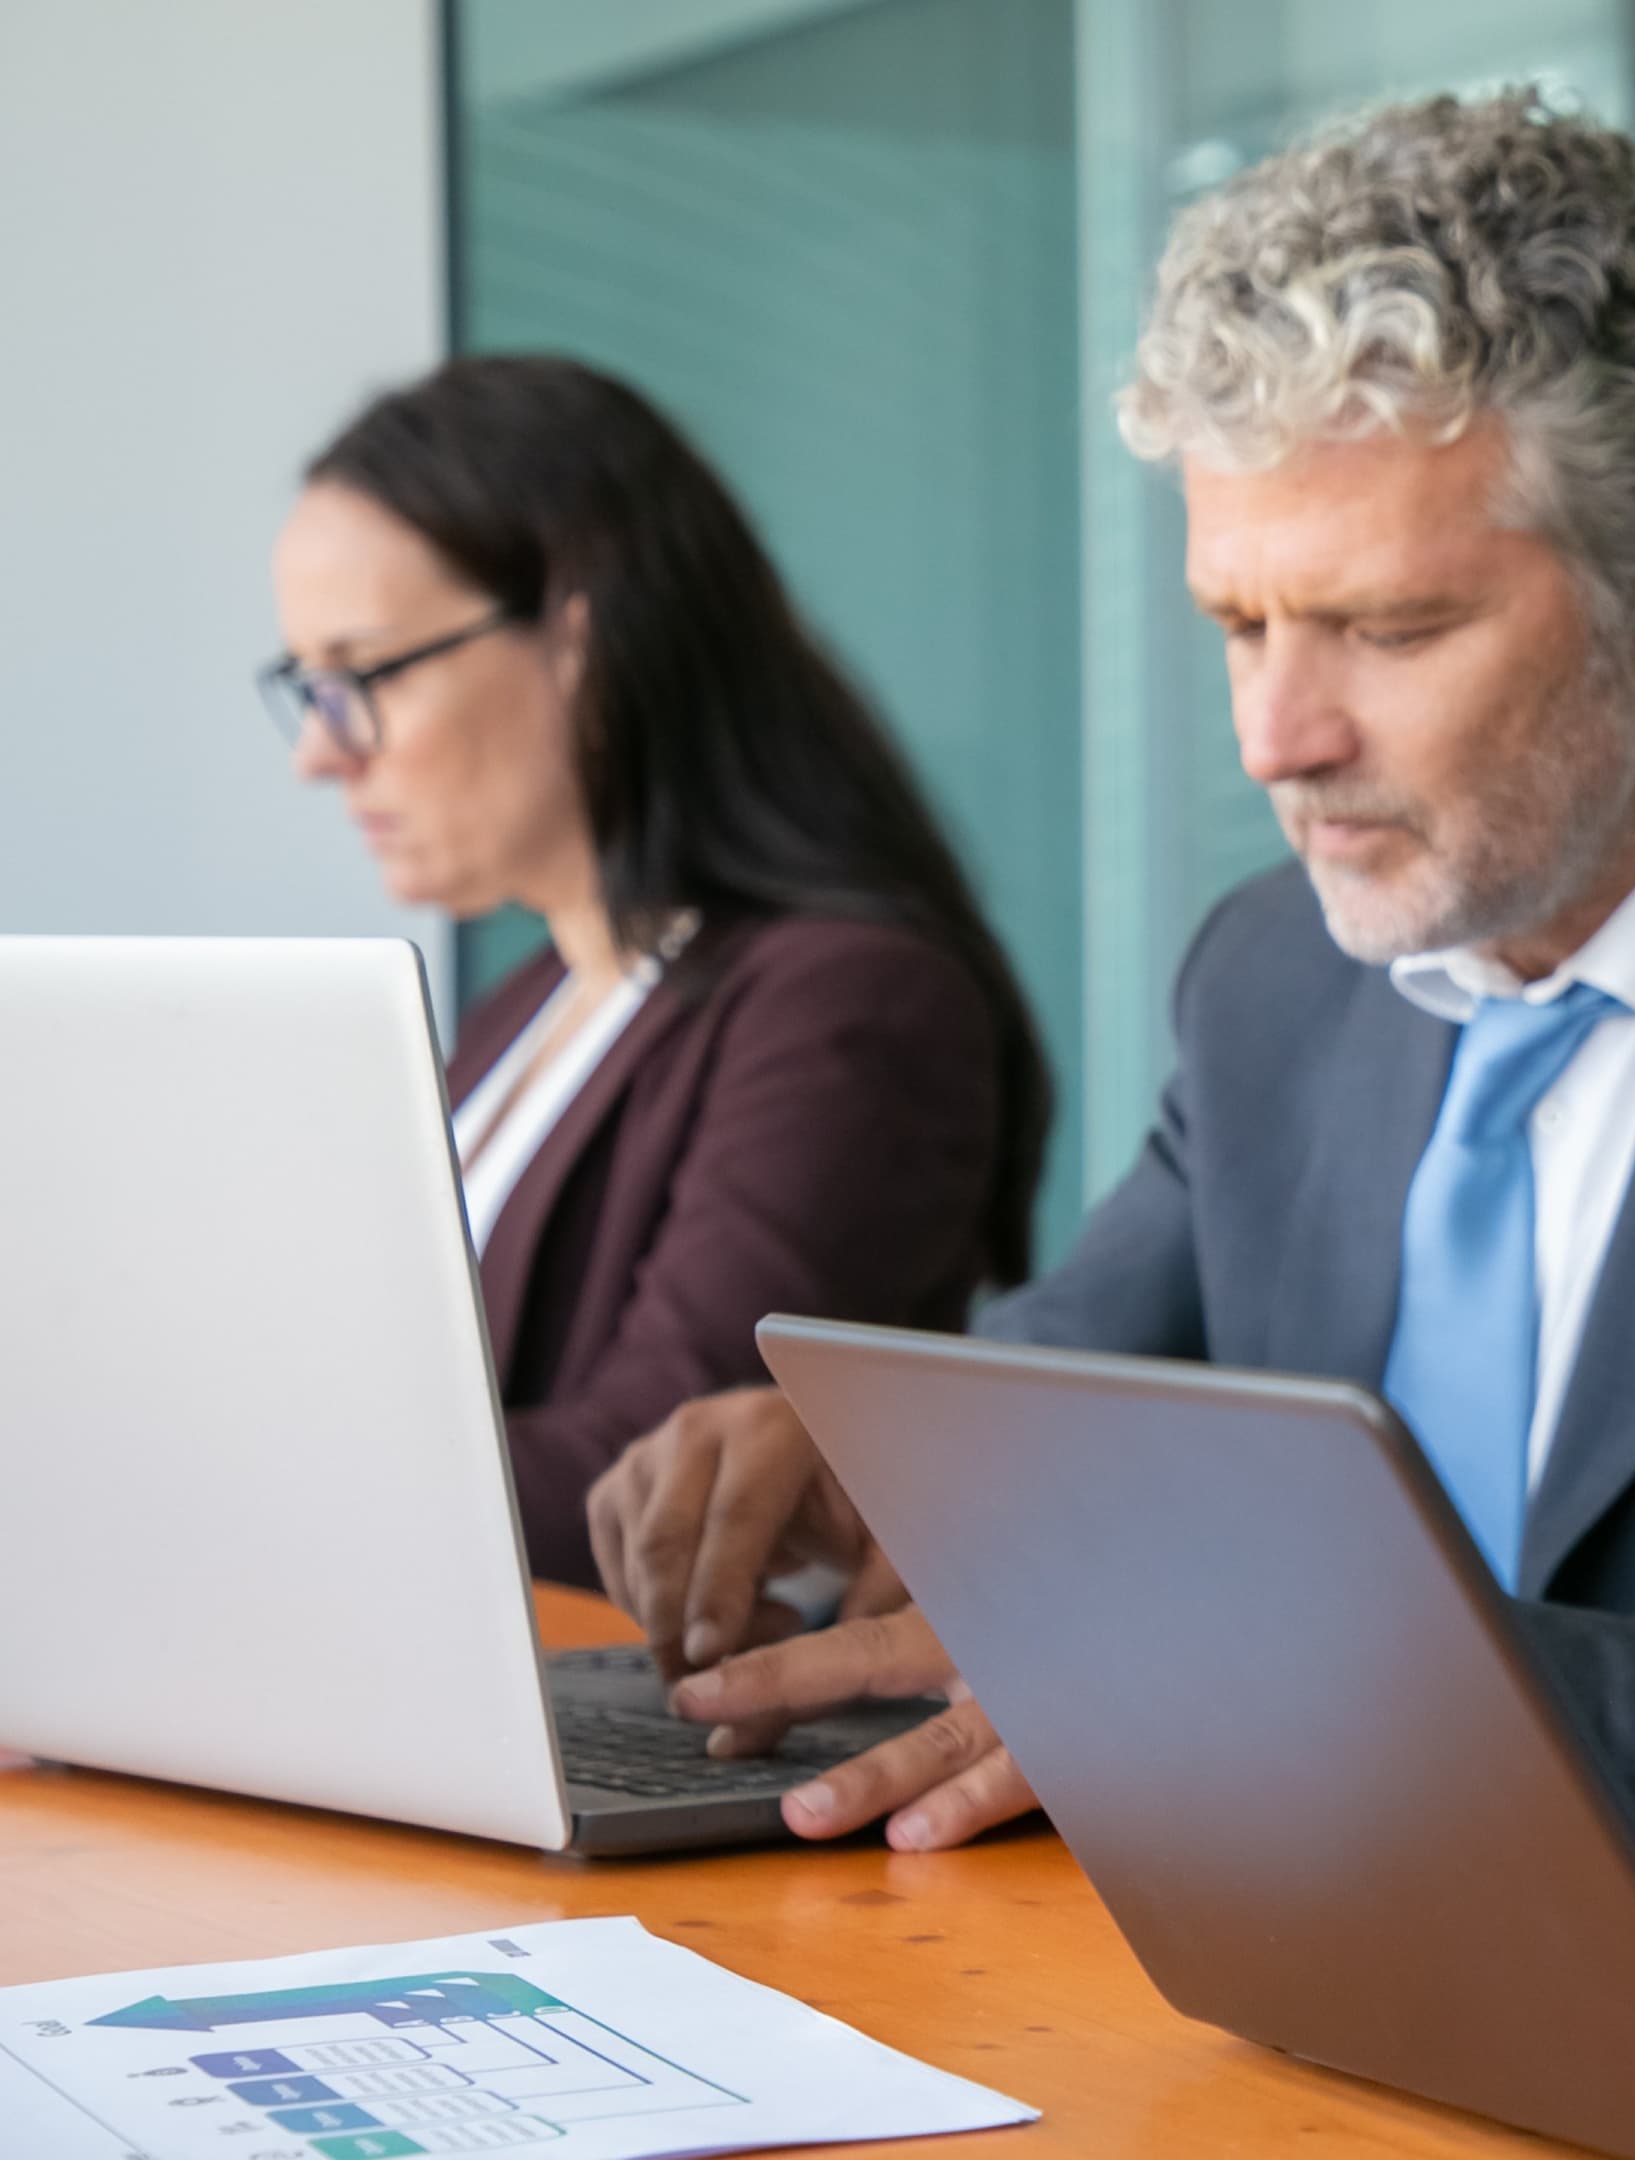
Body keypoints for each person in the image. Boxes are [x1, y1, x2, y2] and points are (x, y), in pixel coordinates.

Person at [586, 94, 1635, 1851]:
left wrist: (1302, 1676)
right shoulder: (1277, 972)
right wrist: (856, 1470)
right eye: (1239, 625)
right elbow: (1062, 1417)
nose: (1277, 737)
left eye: (1390, 631)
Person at [267, 355, 1054, 1589]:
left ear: (579, 639)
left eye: (361, 678)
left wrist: (222, 1489)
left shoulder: (848, 1006)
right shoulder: (527, 1006)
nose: (322, 753)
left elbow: (657, 1482)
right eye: (307, 687)